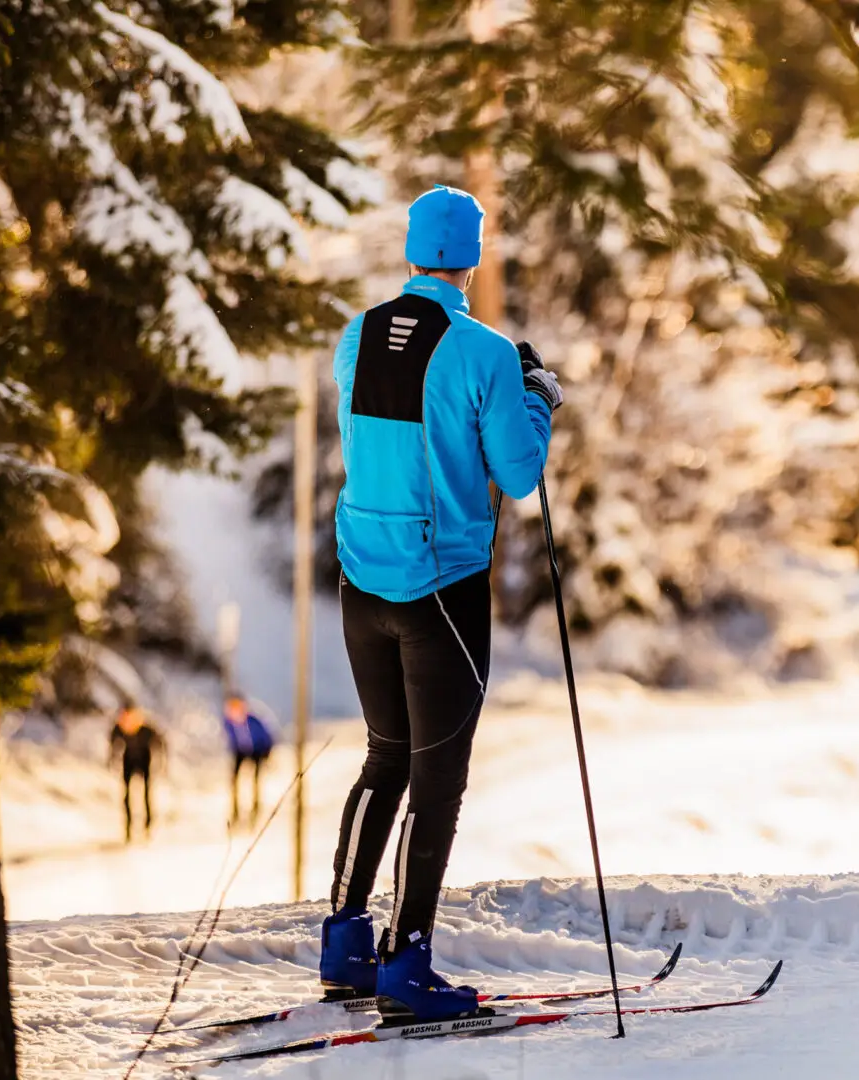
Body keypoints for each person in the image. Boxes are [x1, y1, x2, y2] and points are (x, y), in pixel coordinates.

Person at [319, 185, 560, 1021]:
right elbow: (521, 474)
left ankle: (345, 940)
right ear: (472, 255)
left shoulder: (355, 335)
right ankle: (407, 966)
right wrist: (538, 396)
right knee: (437, 778)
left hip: (361, 578)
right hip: (443, 593)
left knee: (384, 755)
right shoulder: (482, 350)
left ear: (412, 250)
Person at [108, 705, 165, 841]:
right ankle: (128, 828)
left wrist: (161, 762)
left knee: (146, 794)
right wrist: (112, 757)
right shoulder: (119, 728)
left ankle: (147, 826)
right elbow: (113, 742)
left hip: (144, 760)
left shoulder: (145, 730)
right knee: (127, 794)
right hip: (128, 760)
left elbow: (160, 742)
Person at [221, 693, 275, 828]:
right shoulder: (228, 723)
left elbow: (266, 736)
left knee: (255, 780)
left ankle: (255, 806)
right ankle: (235, 809)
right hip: (240, 751)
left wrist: (266, 752)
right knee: (234, 780)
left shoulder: (253, 721)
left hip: (257, 750)